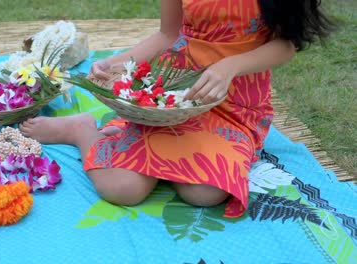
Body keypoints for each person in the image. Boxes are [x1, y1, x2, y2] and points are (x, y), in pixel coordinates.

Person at [20, 0, 333, 218]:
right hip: (177, 95)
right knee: (122, 189)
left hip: (236, 102)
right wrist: (113, 63)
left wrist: (229, 67)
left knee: (205, 194)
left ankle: (157, 157)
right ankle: (82, 130)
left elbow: (287, 45)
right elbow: (168, 35)